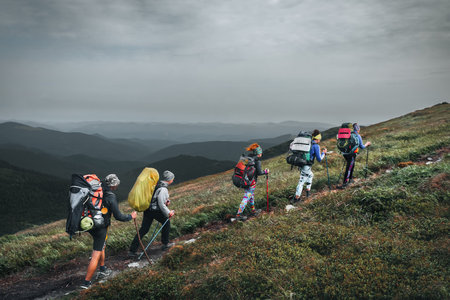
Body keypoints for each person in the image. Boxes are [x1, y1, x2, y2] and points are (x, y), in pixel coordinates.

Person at [81, 174, 137, 289]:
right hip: (100, 227)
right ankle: (86, 283)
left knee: (102, 246)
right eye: (116, 184)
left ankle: (102, 269)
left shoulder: (96, 190)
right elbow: (118, 216)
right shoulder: (110, 196)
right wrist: (131, 216)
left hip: (89, 222)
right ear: (114, 185)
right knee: (96, 252)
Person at [129, 170, 175, 255]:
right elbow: (161, 203)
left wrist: (167, 201)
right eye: (172, 178)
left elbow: (155, 198)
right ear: (170, 179)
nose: (173, 180)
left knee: (144, 229)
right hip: (155, 210)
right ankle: (165, 244)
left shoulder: (156, 185)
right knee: (166, 222)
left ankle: (132, 250)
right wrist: (168, 212)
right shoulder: (163, 188)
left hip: (147, 210)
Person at [235, 143, 269, 220]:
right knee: (247, 196)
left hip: (245, 180)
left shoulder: (248, 158)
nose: (261, 153)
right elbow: (260, 172)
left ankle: (253, 210)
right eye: (260, 152)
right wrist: (266, 171)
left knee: (250, 195)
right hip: (251, 182)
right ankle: (238, 215)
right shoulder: (257, 161)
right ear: (258, 153)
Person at [293, 130, 327, 202]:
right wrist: (323, 153)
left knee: (310, 175)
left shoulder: (308, 144)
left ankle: (308, 192)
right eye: (319, 139)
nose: (320, 140)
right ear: (317, 139)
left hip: (301, 163)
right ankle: (296, 198)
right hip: (306, 165)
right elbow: (319, 159)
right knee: (302, 181)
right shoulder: (316, 146)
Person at [341, 123, 371, 187]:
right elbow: (362, 147)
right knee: (349, 167)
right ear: (358, 129)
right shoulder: (357, 135)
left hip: (345, 153)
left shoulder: (348, 134)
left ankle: (350, 179)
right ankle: (345, 183)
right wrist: (367, 144)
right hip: (352, 154)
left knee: (351, 165)